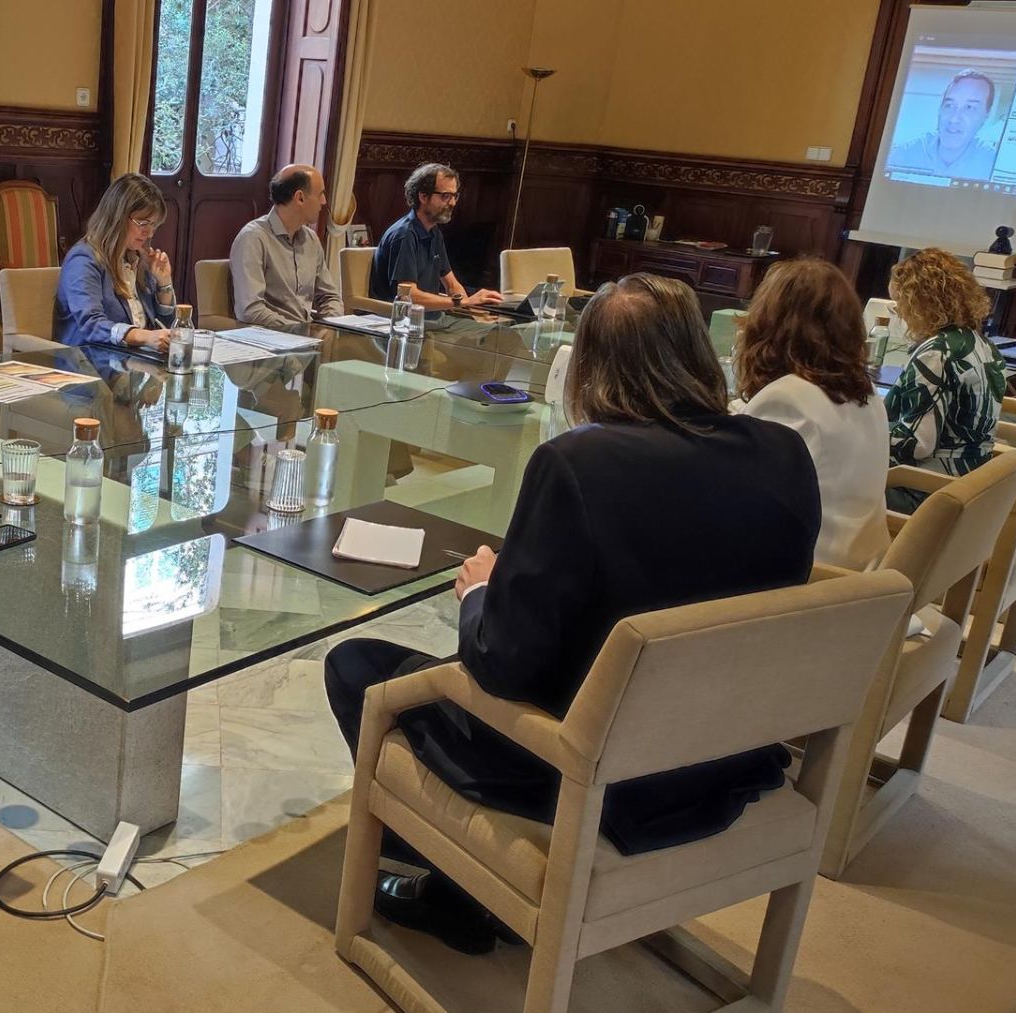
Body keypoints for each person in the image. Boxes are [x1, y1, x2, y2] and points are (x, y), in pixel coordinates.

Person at [323, 274, 821, 954]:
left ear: (589, 367)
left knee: (359, 666)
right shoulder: (785, 454)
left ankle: (463, 893)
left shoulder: (579, 464)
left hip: (589, 769)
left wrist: (477, 593)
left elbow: (502, 664)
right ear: (700, 357)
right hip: (725, 756)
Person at [734, 259, 891, 570]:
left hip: (809, 577)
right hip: (861, 567)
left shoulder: (786, 400)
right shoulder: (866, 393)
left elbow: (746, 503)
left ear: (769, 323)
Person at [884, 248, 1005, 513]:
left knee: (822, 479)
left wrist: (858, 437)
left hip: (924, 492)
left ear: (918, 303)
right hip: (970, 486)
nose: (901, 315)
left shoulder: (936, 353)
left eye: (900, 305)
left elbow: (918, 444)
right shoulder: (981, 344)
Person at [54, 172, 177, 351]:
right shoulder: (83, 259)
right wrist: (145, 336)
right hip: (89, 363)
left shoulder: (138, 258)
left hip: (134, 362)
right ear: (117, 217)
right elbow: (92, 324)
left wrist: (164, 283)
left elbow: (164, 326)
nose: (149, 233)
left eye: (154, 225)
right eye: (143, 223)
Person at [368, 162, 502, 310]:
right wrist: (461, 302)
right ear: (423, 196)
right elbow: (407, 295)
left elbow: (452, 285)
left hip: (434, 318)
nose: (452, 203)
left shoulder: (434, 232)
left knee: (502, 329)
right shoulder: (404, 235)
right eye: (446, 196)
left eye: (454, 196)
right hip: (407, 323)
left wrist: (474, 311)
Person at [228, 163, 344, 332]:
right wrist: (297, 331)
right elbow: (250, 310)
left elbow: (330, 297)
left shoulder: (311, 239)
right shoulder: (253, 238)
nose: (324, 202)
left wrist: (329, 327)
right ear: (300, 198)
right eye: (320, 194)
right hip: (272, 341)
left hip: (307, 340)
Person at [888, 69, 1001, 180]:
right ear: (940, 109)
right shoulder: (905, 153)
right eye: (949, 105)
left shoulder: (993, 163)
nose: (954, 118)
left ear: (986, 115)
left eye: (969, 107)